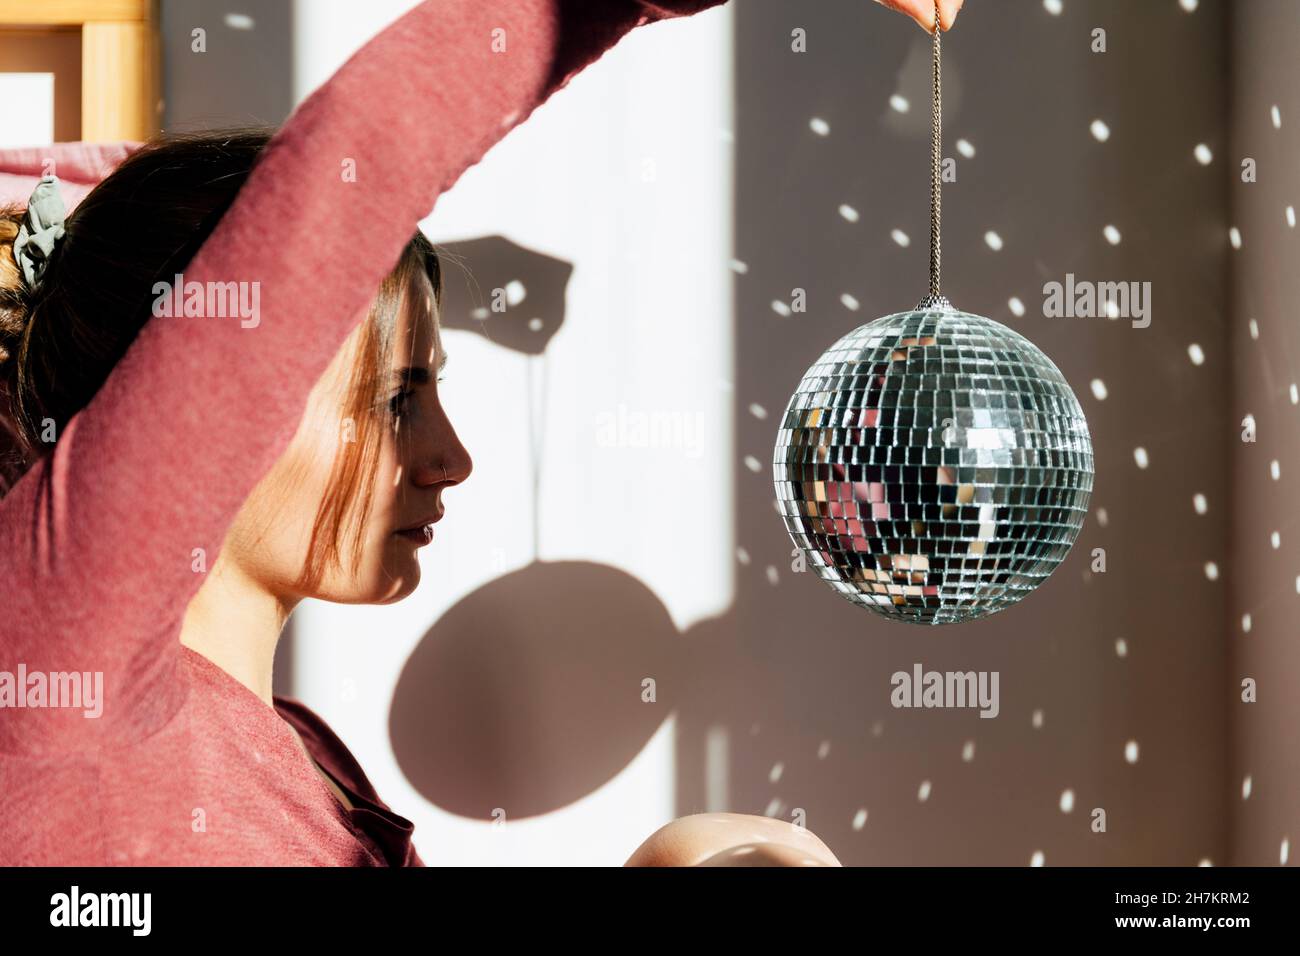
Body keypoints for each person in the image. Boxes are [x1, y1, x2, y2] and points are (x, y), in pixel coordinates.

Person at [0, 0, 959, 867]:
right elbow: (360, 159)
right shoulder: (67, 682)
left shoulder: (308, 756)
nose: (452, 459)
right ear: (212, 404)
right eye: (394, 398)